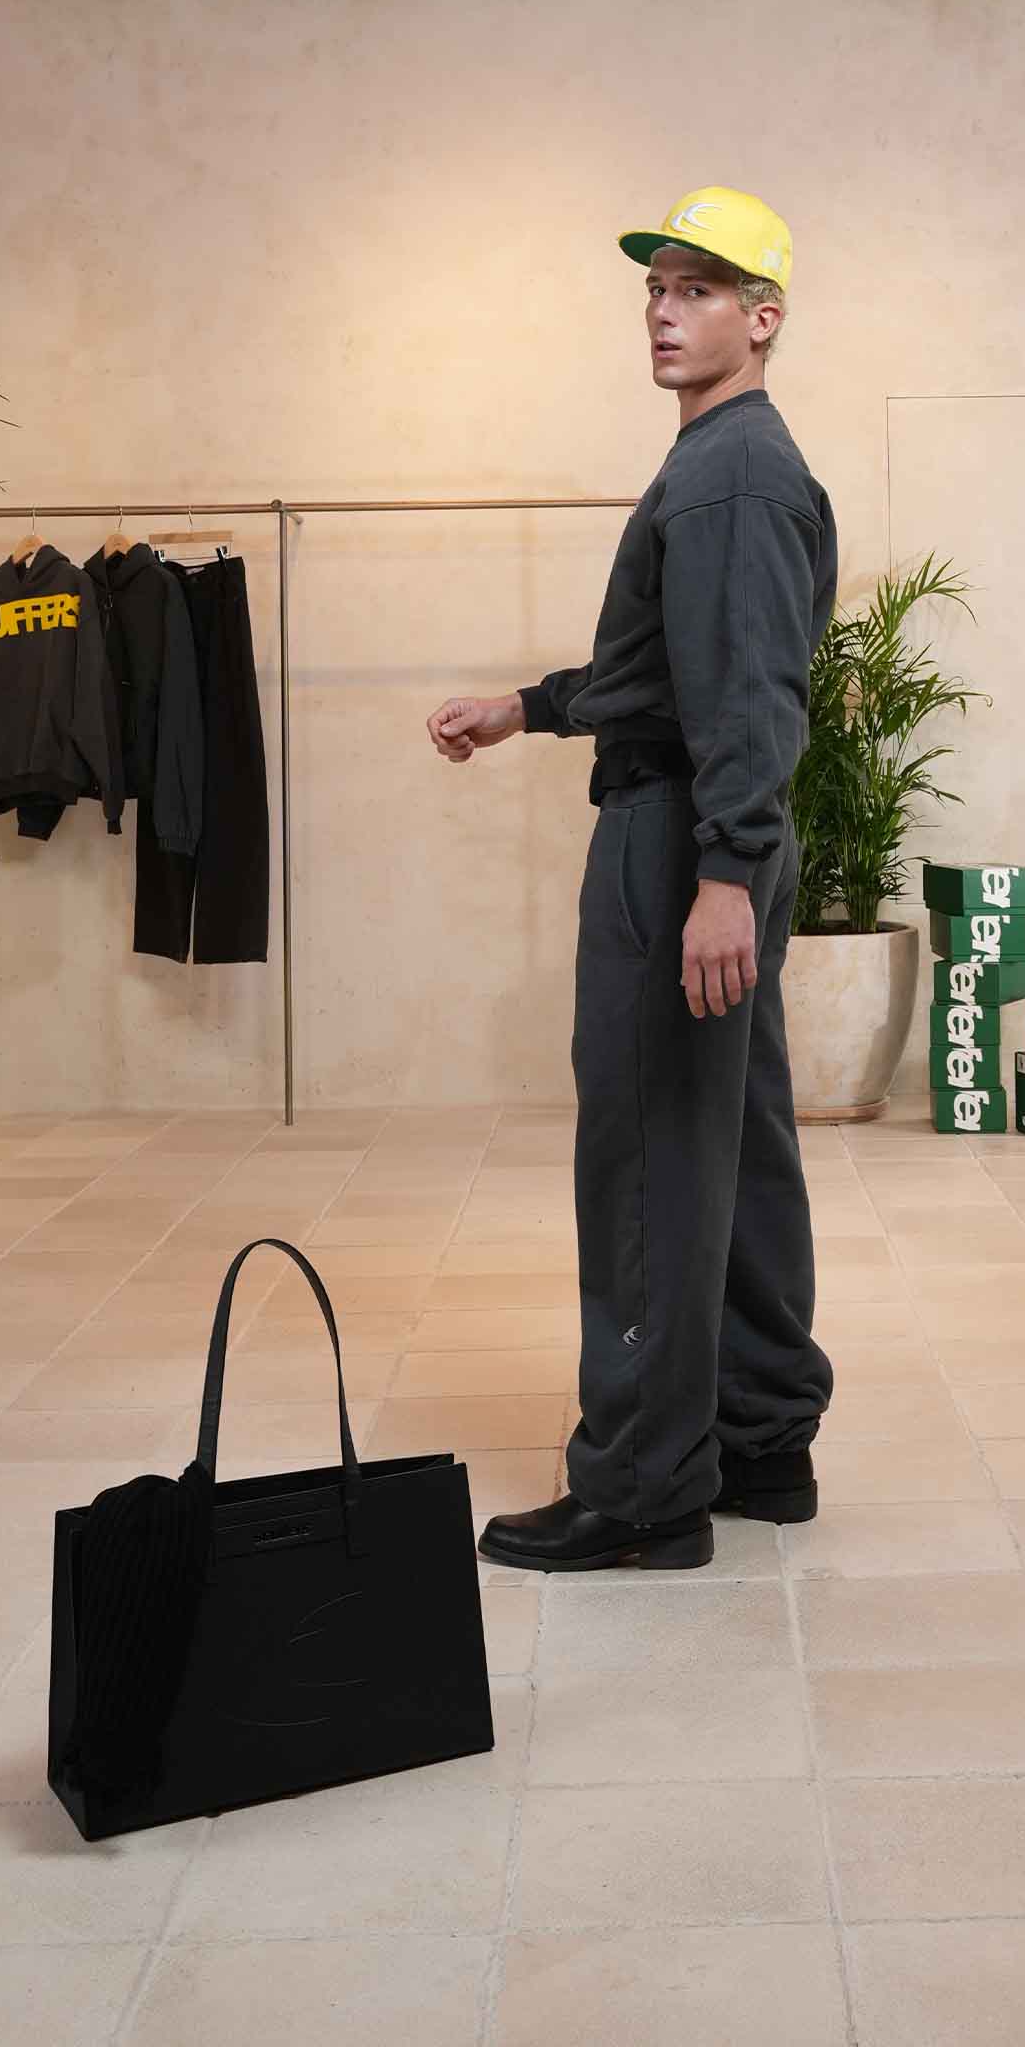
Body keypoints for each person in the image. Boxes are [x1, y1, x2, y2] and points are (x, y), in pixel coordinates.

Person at [426, 186, 838, 1573]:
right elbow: (667, 665)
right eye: (655, 288)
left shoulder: (730, 471)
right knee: (737, 1138)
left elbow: (750, 692)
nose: (663, 312)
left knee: (651, 1149)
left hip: (680, 844)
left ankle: (647, 1487)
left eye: (697, 289)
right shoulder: (729, 461)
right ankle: (761, 1436)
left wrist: (722, 873)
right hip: (703, 832)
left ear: (761, 318)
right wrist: (529, 707)